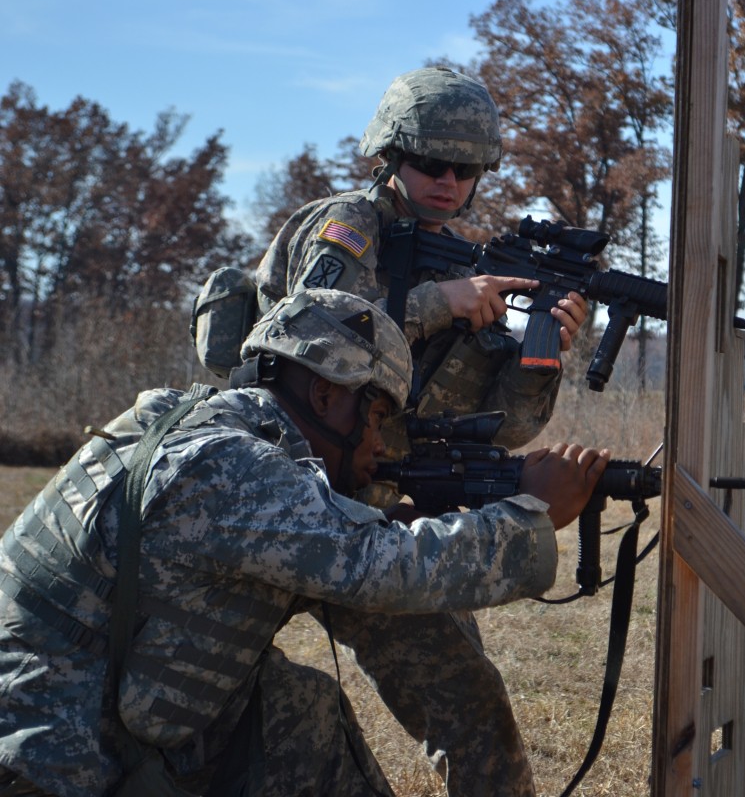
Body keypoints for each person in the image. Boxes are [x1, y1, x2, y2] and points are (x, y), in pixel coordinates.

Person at [0, 289, 608, 797]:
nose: (380, 446)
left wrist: (385, 517)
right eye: (376, 418)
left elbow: (303, 534)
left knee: (297, 709)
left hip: (77, 713)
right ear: (324, 396)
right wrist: (532, 511)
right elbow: (383, 570)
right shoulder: (230, 467)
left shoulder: (184, 421)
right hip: (48, 764)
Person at [253, 67, 589, 796]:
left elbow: (504, 429)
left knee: (471, 710)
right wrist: (441, 302)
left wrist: (541, 355)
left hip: (379, 521)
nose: (446, 180)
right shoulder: (348, 225)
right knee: (194, 695)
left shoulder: (469, 264)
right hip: (275, 503)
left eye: (463, 168)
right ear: (388, 156)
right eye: (428, 163)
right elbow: (313, 334)